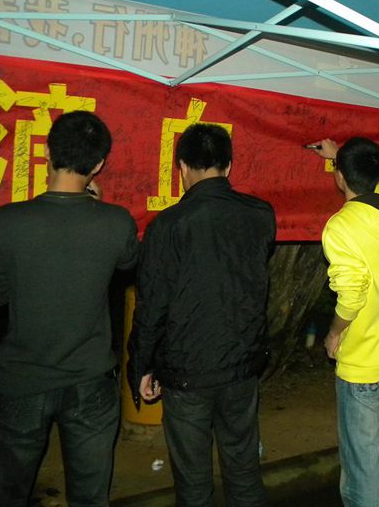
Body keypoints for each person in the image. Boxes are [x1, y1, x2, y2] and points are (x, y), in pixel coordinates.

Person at [127, 123, 276, 507]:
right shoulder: (261, 215)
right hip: (242, 367)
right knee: (244, 473)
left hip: (186, 372)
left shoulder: (167, 226)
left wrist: (141, 365)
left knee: (193, 484)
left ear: (182, 167)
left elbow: (152, 305)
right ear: (228, 165)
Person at [0, 111, 139, 506]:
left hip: (22, 379)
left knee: (8, 493)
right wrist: (98, 207)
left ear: (46, 152)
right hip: (91, 380)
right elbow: (127, 263)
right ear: (98, 165)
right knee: (90, 497)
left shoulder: (7, 223)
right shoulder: (117, 222)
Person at [312, 137, 379, 507]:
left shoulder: (341, 226)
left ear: (340, 177)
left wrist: (334, 333)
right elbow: (372, 183)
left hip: (362, 364)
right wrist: (340, 158)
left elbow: (352, 295)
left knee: (360, 467)